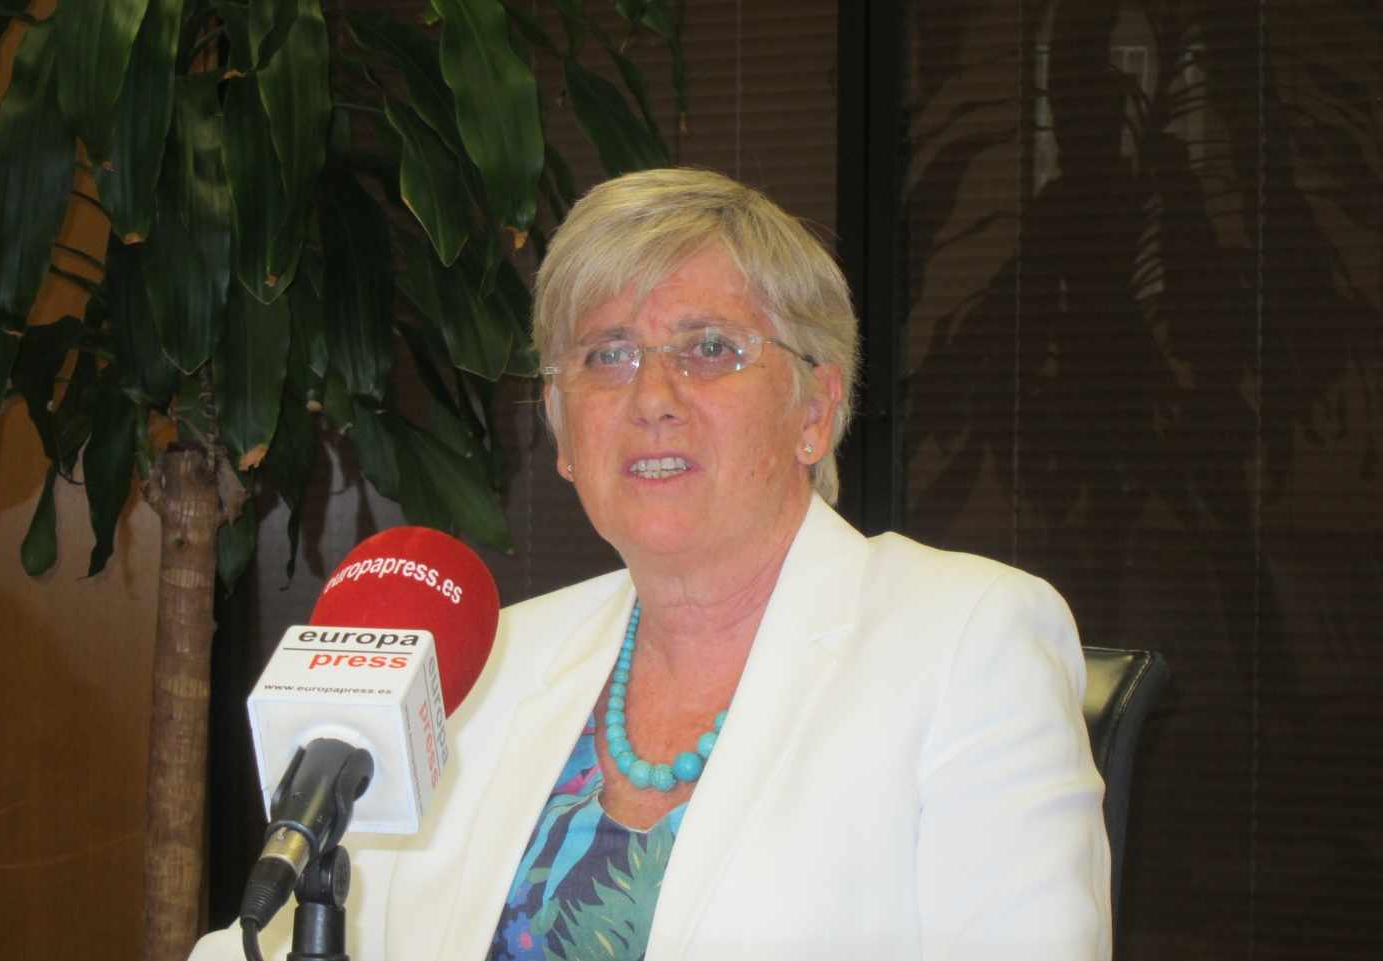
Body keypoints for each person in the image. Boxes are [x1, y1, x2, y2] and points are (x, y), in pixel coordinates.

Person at [191, 167, 1109, 961]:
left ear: (816, 409)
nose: (653, 397)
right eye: (608, 355)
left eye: (710, 348)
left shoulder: (967, 643)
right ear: (562, 431)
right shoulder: (487, 661)